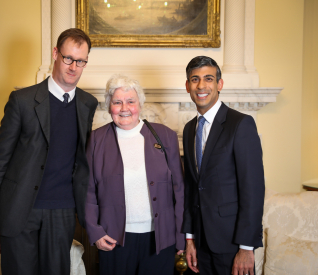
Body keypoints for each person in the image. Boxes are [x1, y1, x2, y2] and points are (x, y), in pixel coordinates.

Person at [0, 28, 98, 274]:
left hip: (63, 212)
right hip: (19, 210)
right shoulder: (21, 101)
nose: (73, 67)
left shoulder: (88, 104)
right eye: (68, 58)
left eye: (80, 61)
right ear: (56, 53)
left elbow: (81, 162)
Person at [85, 74, 185, 275]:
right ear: (109, 106)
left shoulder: (165, 136)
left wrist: (181, 237)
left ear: (140, 104)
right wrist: (95, 232)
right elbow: (87, 191)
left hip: (160, 239)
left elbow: (180, 190)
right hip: (114, 239)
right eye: (117, 102)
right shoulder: (96, 139)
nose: (124, 108)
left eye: (131, 101)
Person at [182, 56, 265, 275]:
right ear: (187, 86)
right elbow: (192, 188)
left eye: (208, 79)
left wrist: (246, 248)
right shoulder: (190, 128)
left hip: (232, 245)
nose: (201, 86)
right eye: (195, 79)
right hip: (200, 245)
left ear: (219, 84)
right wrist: (189, 238)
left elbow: (253, 190)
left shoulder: (241, 124)